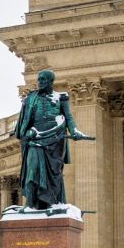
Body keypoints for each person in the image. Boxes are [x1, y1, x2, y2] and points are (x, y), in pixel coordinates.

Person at [13, 69, 93, 209]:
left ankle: (50, 201)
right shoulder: (31, 98)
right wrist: (27, 132)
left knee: (54, 174)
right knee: (32, 170)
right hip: (35, 139)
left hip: (54, 141)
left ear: (51, 81)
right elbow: (24, 122)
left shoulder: (61, 98)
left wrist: (74, 131)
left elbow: (68, 117)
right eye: (39, 79)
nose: (40, 82)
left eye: (43, 79)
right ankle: (30, 203)